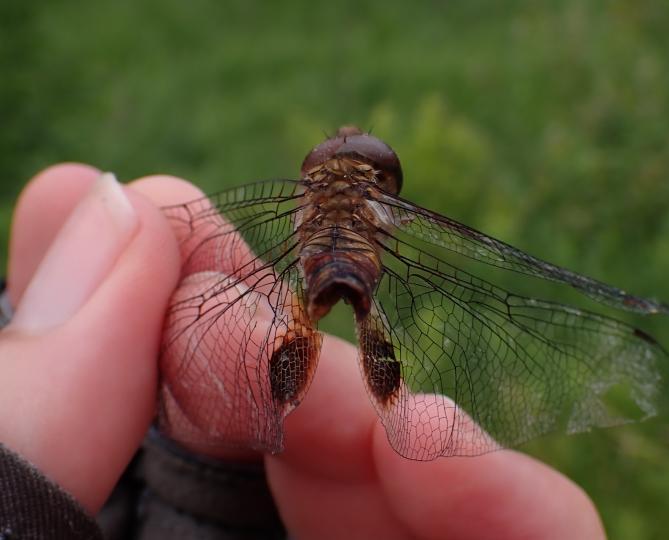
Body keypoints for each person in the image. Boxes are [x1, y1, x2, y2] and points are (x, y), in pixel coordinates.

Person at [0, 164, 606, 539]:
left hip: (287, 319)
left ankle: (284, 389)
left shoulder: (300, 215)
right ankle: (364, 391)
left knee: (203, 293)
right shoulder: (382, 215)